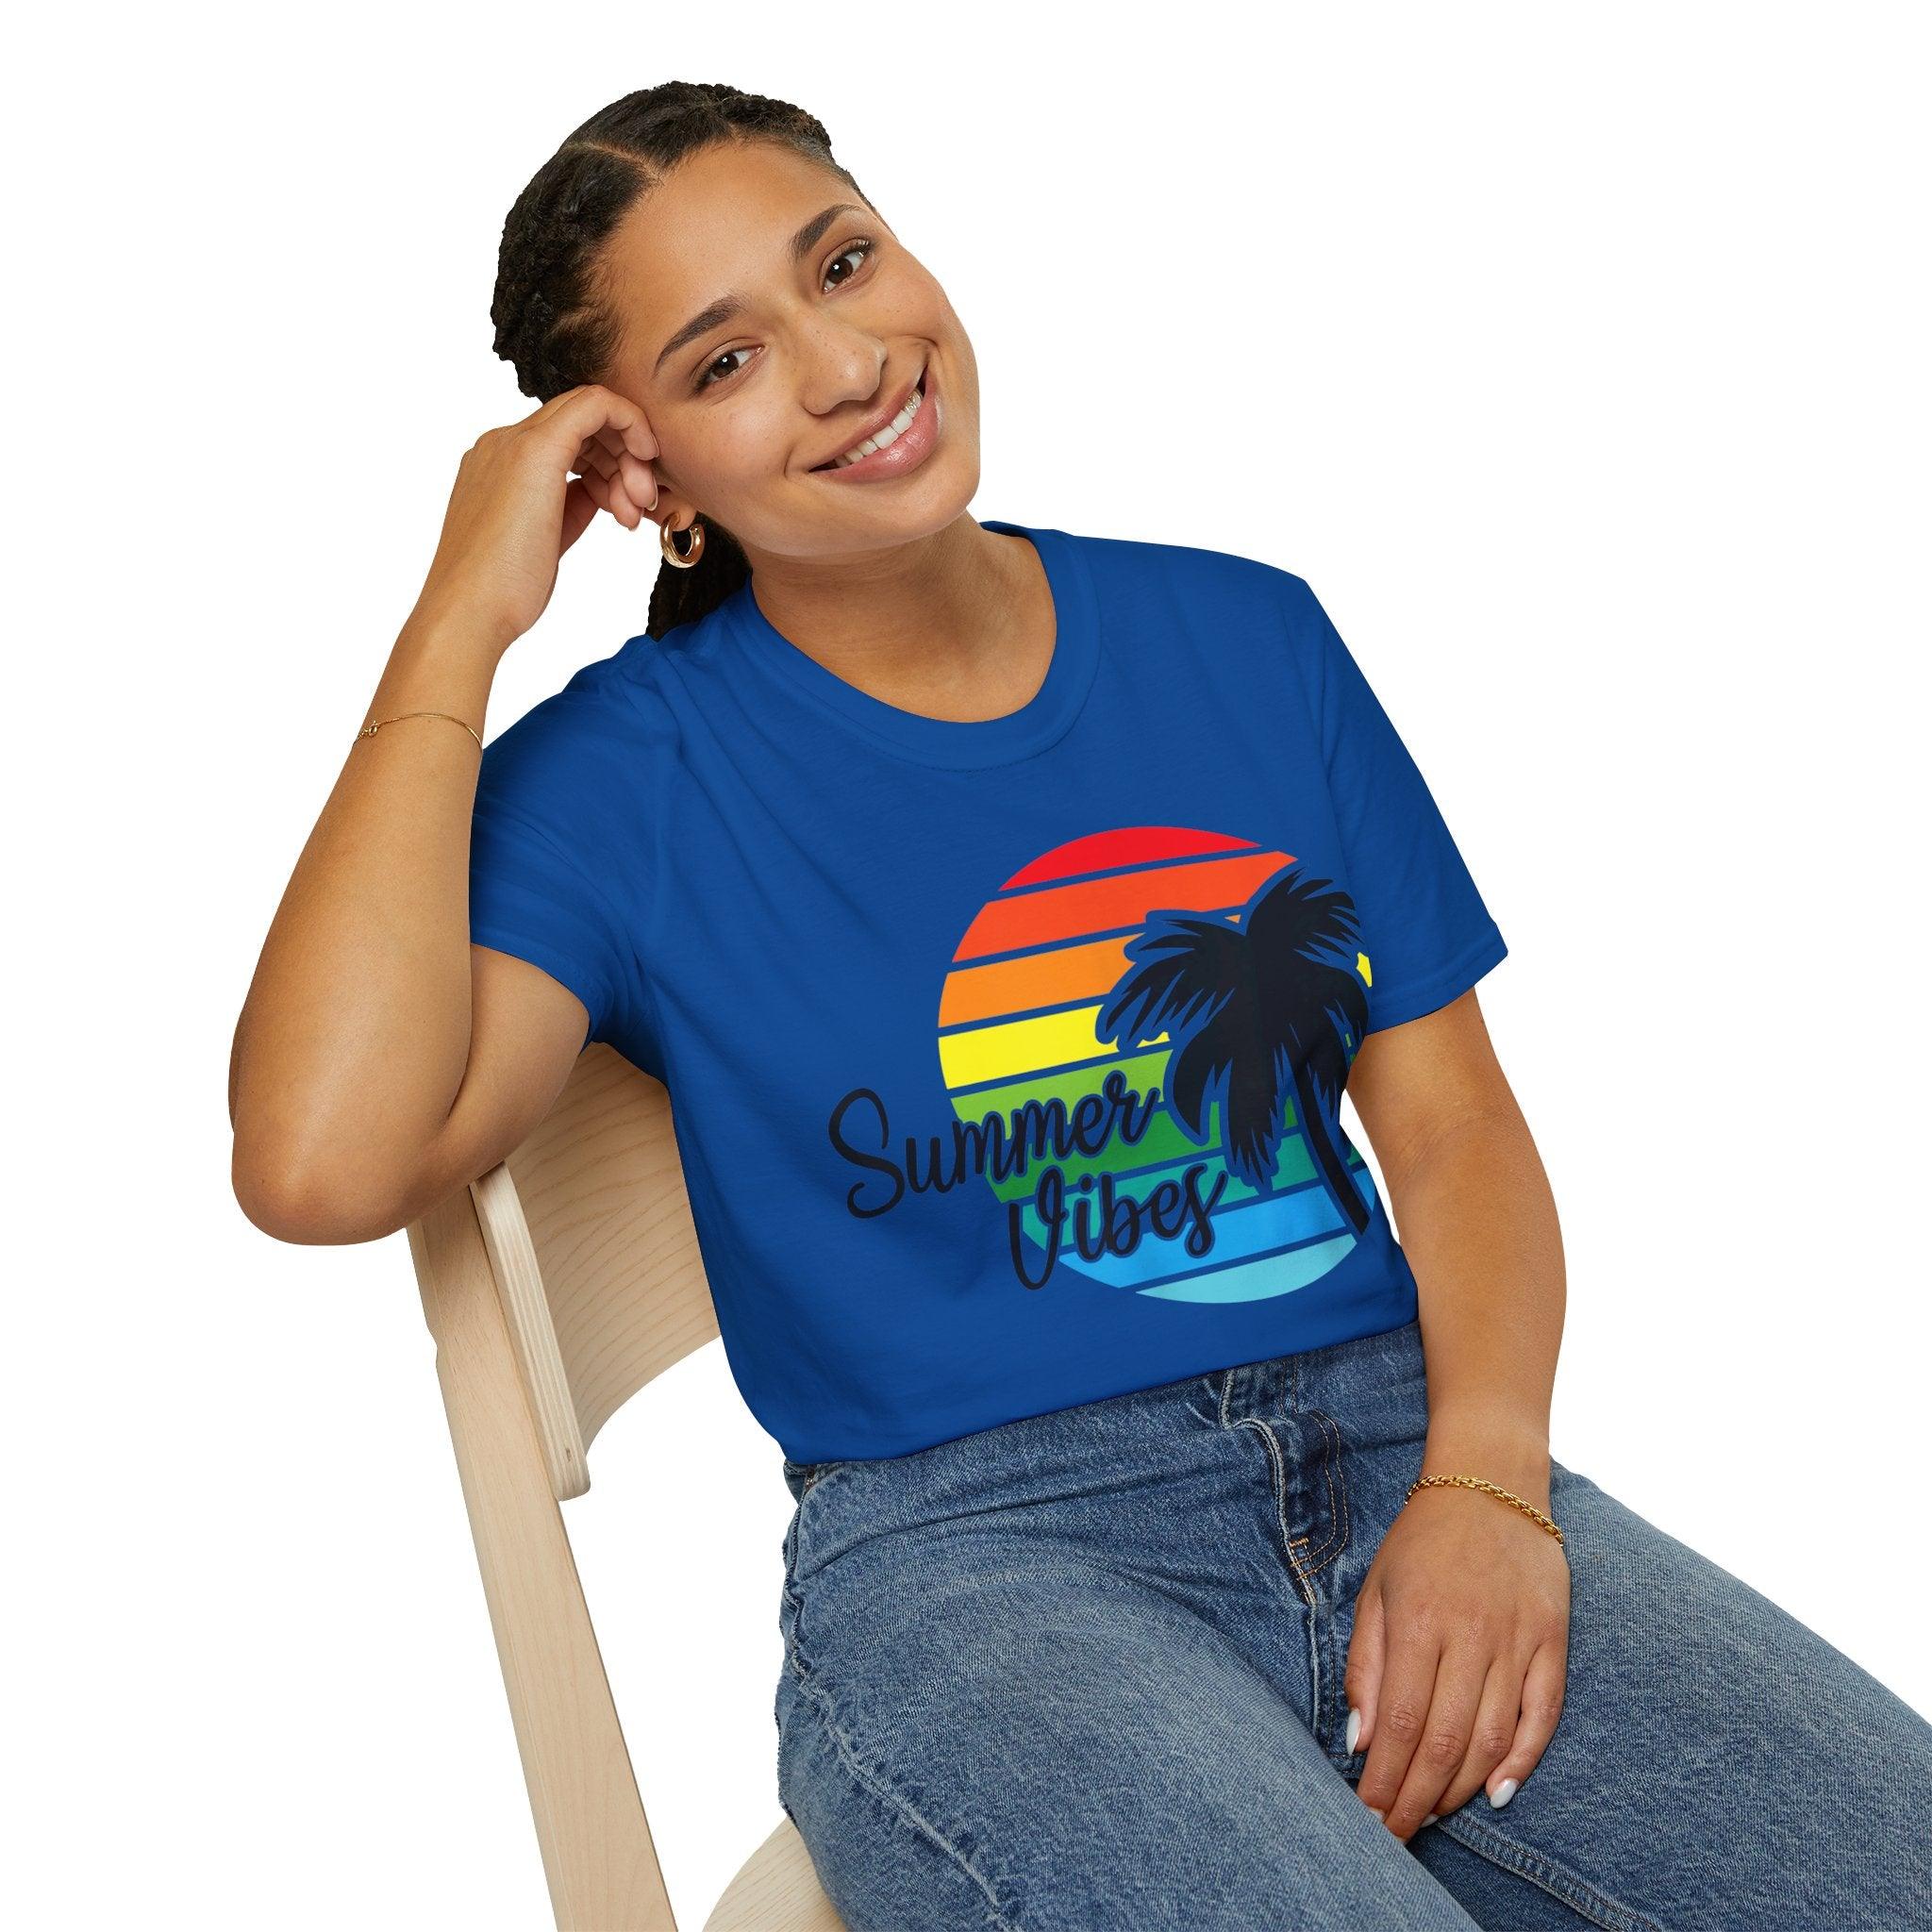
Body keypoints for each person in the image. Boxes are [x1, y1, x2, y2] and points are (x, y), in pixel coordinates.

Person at [228, 81, 1932, 1931]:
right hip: (984, 1568)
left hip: (1404, 1451)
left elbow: (1453, 1132)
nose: (847, 365)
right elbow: (319, 1161)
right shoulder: (629, 777)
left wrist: (1489, 1486)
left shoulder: (1248, 638)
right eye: (726, 361)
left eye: (843, 264)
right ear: (652, 482)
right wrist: (459, 618)